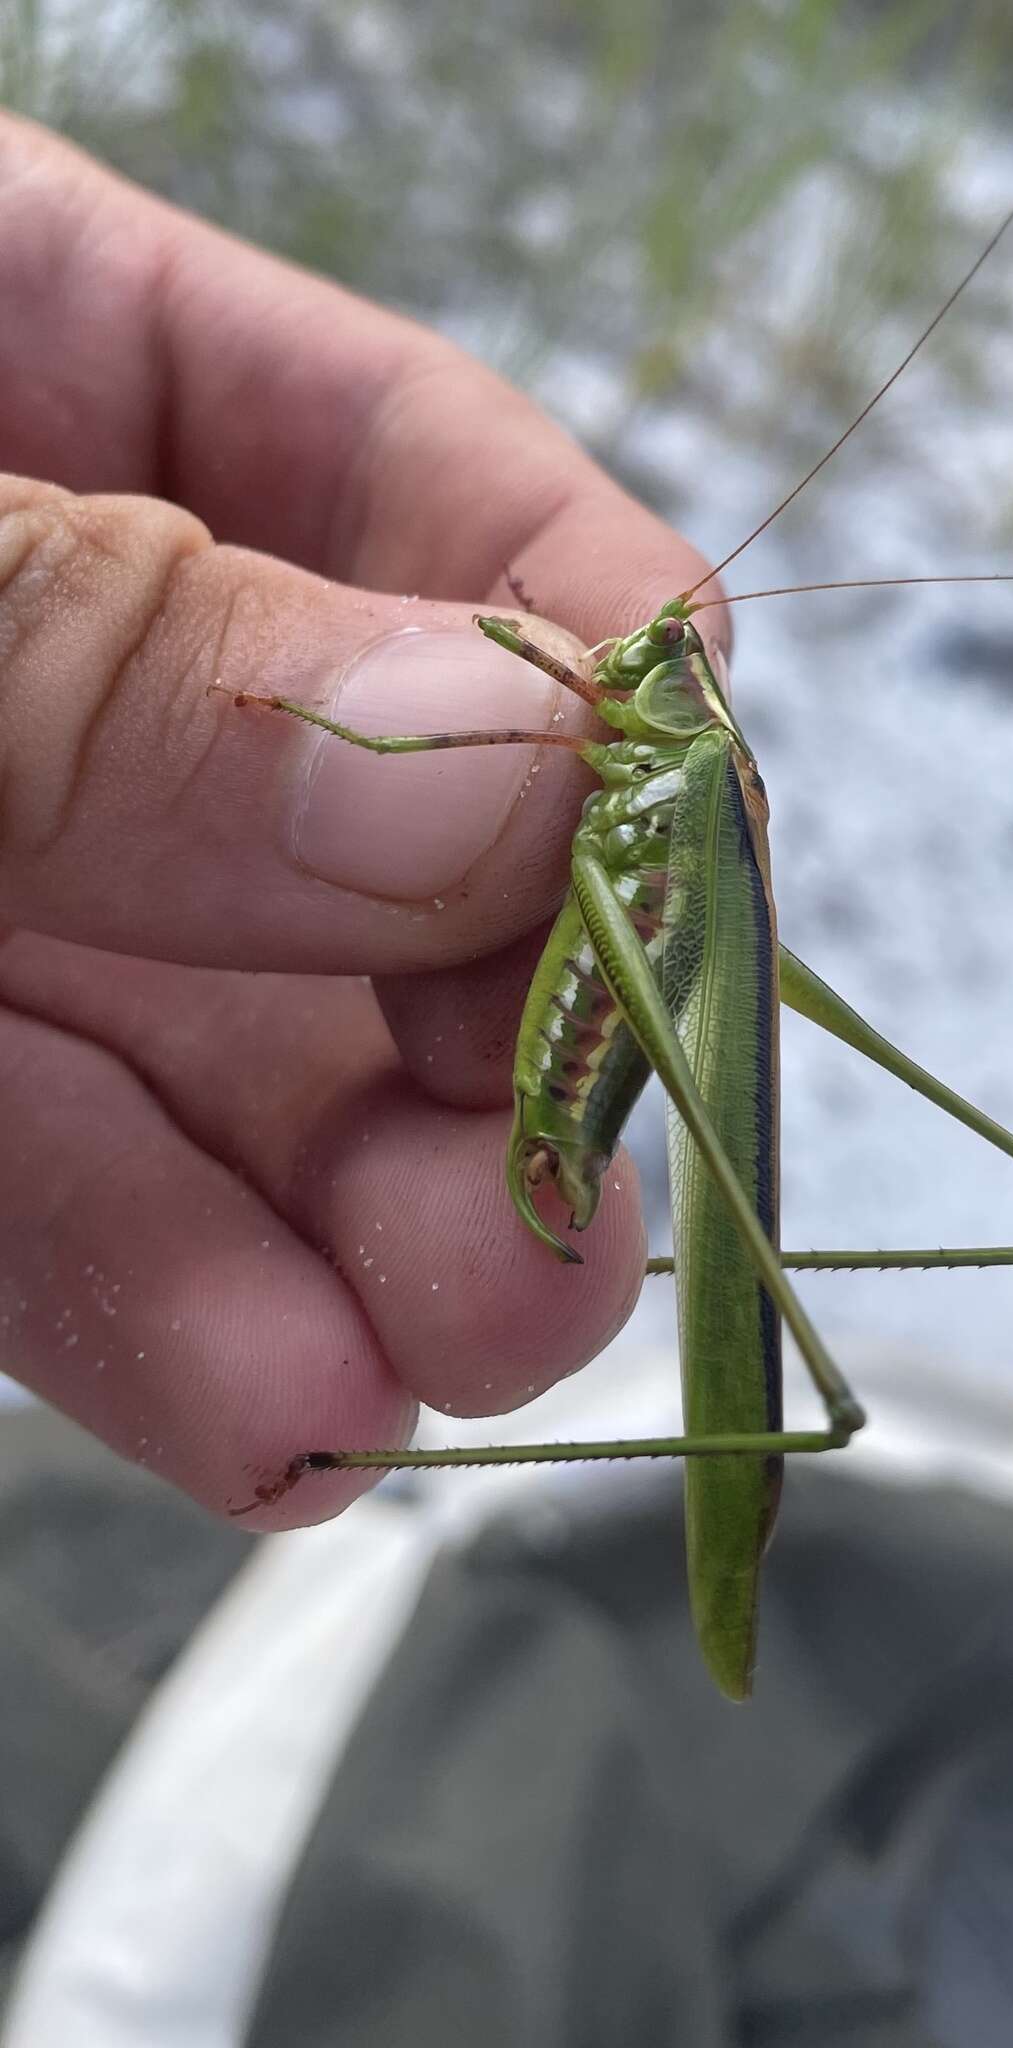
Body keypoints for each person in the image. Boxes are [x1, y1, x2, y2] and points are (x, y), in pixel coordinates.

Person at [0, 112, 706, 1528]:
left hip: (605, 1012)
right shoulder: (637, 738)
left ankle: (690, 1295)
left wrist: (253, 703)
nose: (639, 671)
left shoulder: (664, 771)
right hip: (578, 1004)